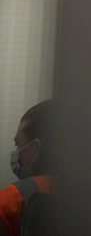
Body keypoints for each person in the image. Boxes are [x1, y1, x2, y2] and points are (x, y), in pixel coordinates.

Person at [0, 100, 53, 236]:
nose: (16, 152)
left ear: (36, 147)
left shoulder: (13, 199)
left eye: (18, 144)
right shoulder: (86, 195)